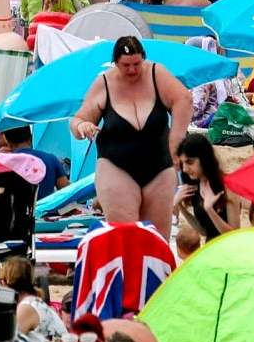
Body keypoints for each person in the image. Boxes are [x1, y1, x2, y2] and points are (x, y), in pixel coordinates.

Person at [71, 36, 190, 230]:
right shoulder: (104, 83)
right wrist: (82, 127)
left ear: (143, 58)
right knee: (125, 235)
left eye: (137, 63)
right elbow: (78, 120)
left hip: (159, 164)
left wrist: (176, 141)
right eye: (126, 65)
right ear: (115, 63)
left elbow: (184, 100)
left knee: (157, 239)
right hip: (116, 166)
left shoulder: (156, 73)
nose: (133, 70)